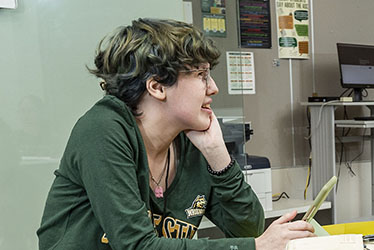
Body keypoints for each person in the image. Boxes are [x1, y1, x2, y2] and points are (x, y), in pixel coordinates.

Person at [37, 18, 314, 250]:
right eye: (201, 75)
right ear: (157, 87)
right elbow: (137, 246)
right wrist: (255, 247)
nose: (213, 88)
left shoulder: (189, 140)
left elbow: (247, 228)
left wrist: (218, 157)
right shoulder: (103, 129)